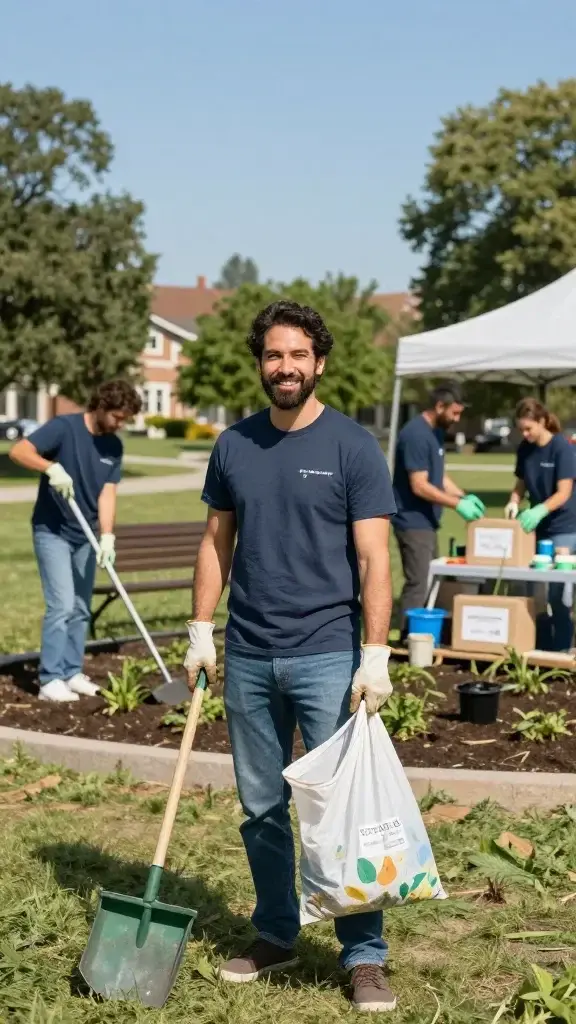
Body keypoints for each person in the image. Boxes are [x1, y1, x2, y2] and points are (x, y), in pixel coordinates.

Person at [184, 300, 398, 1012]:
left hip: (327, 654)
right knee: (261, 807)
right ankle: (276, 932)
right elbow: (217, 543)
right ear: (261, 364)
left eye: (298, 355)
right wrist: (199, 629)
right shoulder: (233, 445)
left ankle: (363, 955)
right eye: (275, 355)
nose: (286, 367)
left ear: (319, 363)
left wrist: (375, 653)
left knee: (343, 809)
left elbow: (374, 559)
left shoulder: (352, 446)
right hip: (247, 653)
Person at [9, 379, 142, 701]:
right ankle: (50, 679)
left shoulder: (114, 446)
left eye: (126, 419)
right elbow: (18, 451)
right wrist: (50, 467)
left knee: (81, 608)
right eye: (117, 417)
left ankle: (70, 671)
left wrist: (107, 536)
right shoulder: (63, 428)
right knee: (62, 605)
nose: (120, 424)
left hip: (87, 535)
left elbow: (107, 493)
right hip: (52, 530)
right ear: (99, 406)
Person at [393, 383, 485, 630]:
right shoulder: (415, 434)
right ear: (439, 406)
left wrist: (464, 496)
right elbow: (420, 485)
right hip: (412, 520)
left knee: (432, 579)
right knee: (419, 582)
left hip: (428, 521)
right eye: (454, 413)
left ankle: (424, 634)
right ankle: (405, 640)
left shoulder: (435, 432)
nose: (457, 419)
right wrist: (458, 505)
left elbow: (438, 476)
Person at [505, 397, 576, 651]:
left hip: (564, 527)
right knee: (534, 591)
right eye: (521, 429)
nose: (525, 434)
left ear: (542, 421)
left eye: (528, 429)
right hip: (535, 528)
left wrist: (539, 509)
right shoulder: (525, 448)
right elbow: (520, 482)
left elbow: (564, 492)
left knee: (558, 594)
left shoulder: (562, 448)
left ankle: (563, 649)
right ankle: (538, 646)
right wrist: (514, 501)